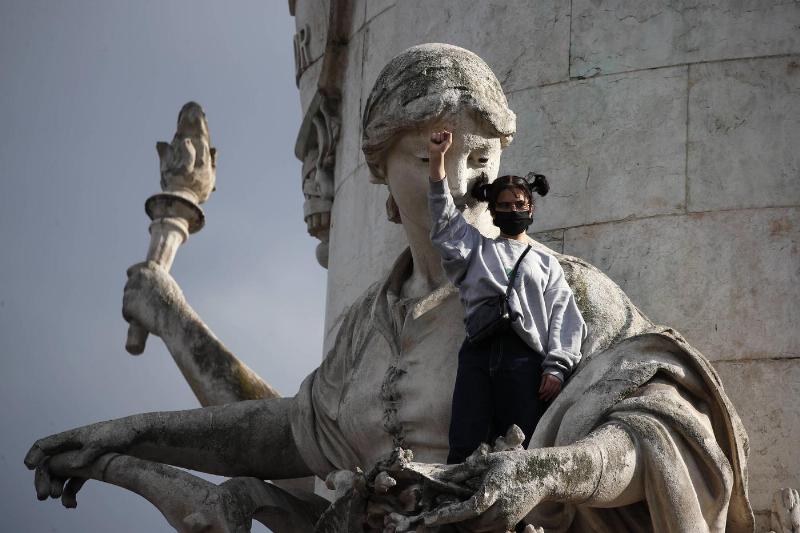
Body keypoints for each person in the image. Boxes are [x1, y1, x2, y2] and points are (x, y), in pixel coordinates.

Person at [24, 44, 753, 532]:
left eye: (481, 158)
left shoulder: (558, 287)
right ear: (382, 169)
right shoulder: (365, 330)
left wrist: (551, 470)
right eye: (430, 156)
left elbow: (664, 429)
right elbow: (284, 434)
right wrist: (126, 432)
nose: (460, 182)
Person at [426, 130, 586, 464]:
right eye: (504, 206)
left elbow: (564, 315)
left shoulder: (546, 263)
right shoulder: (476, 248)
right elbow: (444, 221)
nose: (513, 210)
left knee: (521, 446)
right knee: (465, 443)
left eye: (519, 205)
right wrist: (437, 160)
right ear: (493, 212)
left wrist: (556, 368)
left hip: (524, 358)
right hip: (479, 350)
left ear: (531, 208)